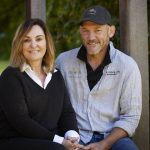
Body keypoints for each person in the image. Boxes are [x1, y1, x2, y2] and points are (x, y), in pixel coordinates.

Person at [56, 5, 142, 150]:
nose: (91, 37)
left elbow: (130, 116)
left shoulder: (127, 66)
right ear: (80, 32)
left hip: (114, 138)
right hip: (74, 137)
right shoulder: (63, 62)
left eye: (98, 30)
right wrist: (69, 137)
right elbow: (55, 106)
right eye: (85, 31)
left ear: (111, 31)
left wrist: (104, 144)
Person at [0, 18, 83, 150]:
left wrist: (71, 135)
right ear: (19, 45)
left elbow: (66, 112)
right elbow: (21, 121)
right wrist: (59, 141)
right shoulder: (10, 77)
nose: (33, 45)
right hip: (17, 141)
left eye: (38, 39)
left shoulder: (56, 75)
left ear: (46, 42)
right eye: (26, 40)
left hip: (51, 142)